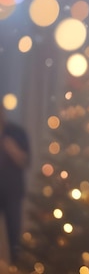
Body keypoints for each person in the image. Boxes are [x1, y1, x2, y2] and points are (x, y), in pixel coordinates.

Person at [0, 106, 30, 265]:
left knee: (14, 238)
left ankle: (16, 267)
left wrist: (13, 149)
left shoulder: (16, 132)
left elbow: (26, 161)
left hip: (12, 192)